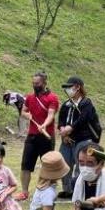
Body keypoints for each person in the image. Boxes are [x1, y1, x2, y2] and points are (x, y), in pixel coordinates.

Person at [16, 72, 60, 201]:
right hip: (32, 136)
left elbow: (51, 115)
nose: (35, 86)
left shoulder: (52, 98)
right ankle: (24, 192)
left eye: (37, 83)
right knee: (25, 165)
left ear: (44, 83)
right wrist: (26, 115)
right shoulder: (29, 98)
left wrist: (44, 125)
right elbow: (23, 111)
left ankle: (49, 190)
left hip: (46, 137)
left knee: (48, 165)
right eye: (33, 83)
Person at [57, 76, 101, 198]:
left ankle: (79, 189)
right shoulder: (66, 104)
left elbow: (83, 119)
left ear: (78, 88)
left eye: (70, 87)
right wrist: (63, 131)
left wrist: (70, 129)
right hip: (67, 140)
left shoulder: (86, 103)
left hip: (83, 139)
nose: (68, 90)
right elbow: (60, 120)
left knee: (81, 166)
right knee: (64, 164)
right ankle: (67, 189)